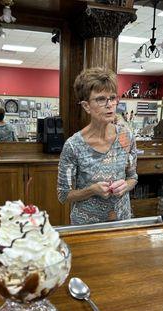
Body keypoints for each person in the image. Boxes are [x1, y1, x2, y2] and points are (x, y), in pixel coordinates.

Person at [57, 67, 138, 225]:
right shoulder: (73, 146)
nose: (109, 105)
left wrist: (125, 186)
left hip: (121, 221)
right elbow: (63, 195)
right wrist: (92, 190)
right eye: (101, 99)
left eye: (113, 98)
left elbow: (133, 177)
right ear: (86, 106)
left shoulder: (125, 136)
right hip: (87, 227)